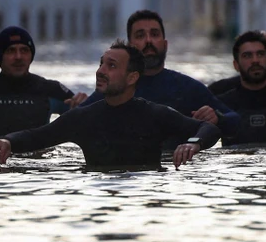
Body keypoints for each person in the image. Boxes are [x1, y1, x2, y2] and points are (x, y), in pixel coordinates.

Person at [0, 40, 221, 171]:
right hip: (97, 196)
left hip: (146, 194)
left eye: (111, 66)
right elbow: (37, 137)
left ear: (132, 78)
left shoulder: (154, 114)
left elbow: (208, 129)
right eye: (101, 64)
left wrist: (193, 145)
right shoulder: (83, 118)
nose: (100, 71)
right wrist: (7, 140)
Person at [80, 10, 240, 143]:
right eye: (140, 35)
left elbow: (235, 120)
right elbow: (74, 120)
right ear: (129, 47)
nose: (148, 41)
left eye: (154, 34)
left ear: (165, 44)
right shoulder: (116, 89)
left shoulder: (186, 88)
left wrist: (217, 118)